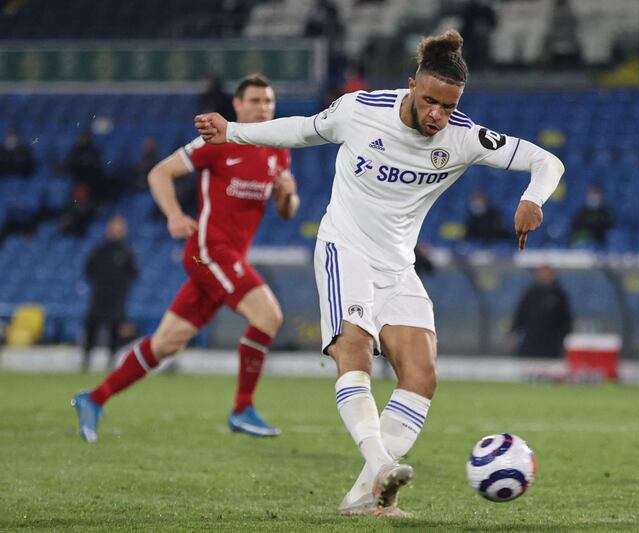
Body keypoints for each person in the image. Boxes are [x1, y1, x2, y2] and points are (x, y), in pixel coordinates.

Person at [195, 30, 564, 516]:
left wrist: (531, 199)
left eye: (448, 106)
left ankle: (365, 495)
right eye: (430, 100)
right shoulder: (359, 110)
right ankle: (380, 465)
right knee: (354, 349)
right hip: (344, 248)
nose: (437, 114)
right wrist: (234, 131)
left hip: (397, 264)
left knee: (422, 374)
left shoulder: (463, 138)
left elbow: (546, 160)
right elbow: (302, 130)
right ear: (411, 85)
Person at [73, 74, 300, 443]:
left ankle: (93, 399)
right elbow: (159, 172)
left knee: (166, 344)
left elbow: (287, 211)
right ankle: (242, 408)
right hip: (209, 251)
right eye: (255, 101)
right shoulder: (216, 141)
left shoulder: (279, 149)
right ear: (238, 106)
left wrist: (288, 196)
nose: (263, 108)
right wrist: (175, 215)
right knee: (269, 315)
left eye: (269, 102)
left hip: (226, 259)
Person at [81, 215, 139, 372]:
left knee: (114, 329)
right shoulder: (99, 250)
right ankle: (85, 360)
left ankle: (112, 360)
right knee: (92, 327)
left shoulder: (126, 252)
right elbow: (88, 270)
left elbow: (134, 273)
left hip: (117, 298)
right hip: (99, 296)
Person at [511, 266, 572, 358]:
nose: (543, 274)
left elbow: (566, 320)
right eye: (540, 271)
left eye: (546, 271)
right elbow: (520, 314)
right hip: (530, 342)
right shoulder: (530, 293)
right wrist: (513, 333)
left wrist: (565, 340)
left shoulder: (559, 294)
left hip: (551, 343)